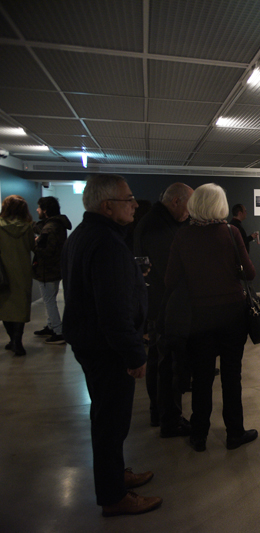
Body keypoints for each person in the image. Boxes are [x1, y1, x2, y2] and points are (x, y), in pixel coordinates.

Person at [62, 174, 161, 516]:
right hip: (107, 350)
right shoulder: (106, 243)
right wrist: (134, 353)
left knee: (108, 419)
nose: (135, 204)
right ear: (108, 206)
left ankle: (116, 476)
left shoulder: (84, 235)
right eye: (128, 199)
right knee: (110, 423)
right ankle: (113, 495)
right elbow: (113, 309)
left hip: (91, 344)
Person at [165, 183, 258, 452]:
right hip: (232, 314)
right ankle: (234, 433)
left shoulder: (183, 236)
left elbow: (171, 279)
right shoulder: (230, 233)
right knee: (232, 375)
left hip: (199, 316)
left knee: (202, 378)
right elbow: (249, 274)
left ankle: (199, 435)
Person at [133, 183, 193, 435]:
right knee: (167, 363)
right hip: (164, 306)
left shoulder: (157, 221)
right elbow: (171, 269)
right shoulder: (157, 226)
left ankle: (160, 413)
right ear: (176, 201)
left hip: (160, 303)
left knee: (160, 361)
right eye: (189, 206)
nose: (190, 213)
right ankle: (169, 419)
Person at [31, 196, 72, 345]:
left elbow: (45, 251)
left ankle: (58, 331)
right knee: (51, 299)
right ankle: (51, 326)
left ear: (45, 210)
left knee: (49, 302)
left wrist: (34, 243)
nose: (37, 210)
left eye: (39, 208)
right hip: (55, 269)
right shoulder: (57, 224)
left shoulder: (50, 228)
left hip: (46, 271)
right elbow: (42, 229)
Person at [0, 195, 35, 356]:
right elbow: (31, 247)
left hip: (4, 274)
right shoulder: (28, 227)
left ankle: (12, 340)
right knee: (21, 308)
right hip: (22, 273)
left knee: (5, 308)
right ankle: (17, 342)